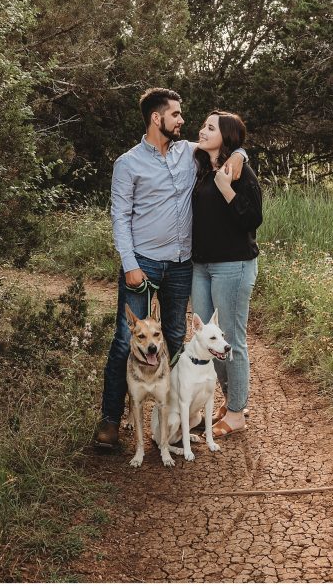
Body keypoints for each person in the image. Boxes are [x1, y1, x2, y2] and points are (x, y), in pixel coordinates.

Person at [92, 87, 246, 450]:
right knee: (125, 340)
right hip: (142, 264)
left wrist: (240, 153)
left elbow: (225, 144)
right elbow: (120, 217)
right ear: (156, 118)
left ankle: (174, 418)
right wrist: (130, 264)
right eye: (175, 114)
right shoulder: (127, 163)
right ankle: (110, 420)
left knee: (175, 338)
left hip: (181, 265)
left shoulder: (188, 152)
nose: (182, 120)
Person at [189, 111, 262, 437]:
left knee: (230, 339)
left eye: (210, 128)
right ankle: (235, 401)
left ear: (227, 136)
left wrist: (226, 187)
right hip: (201, 266)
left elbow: (252, 219)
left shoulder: (240, 172)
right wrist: (236, 154)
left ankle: (235, 414)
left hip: (233, 265)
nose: (202, 131)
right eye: (203, 126)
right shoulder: (203, 168)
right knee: (209, 339)